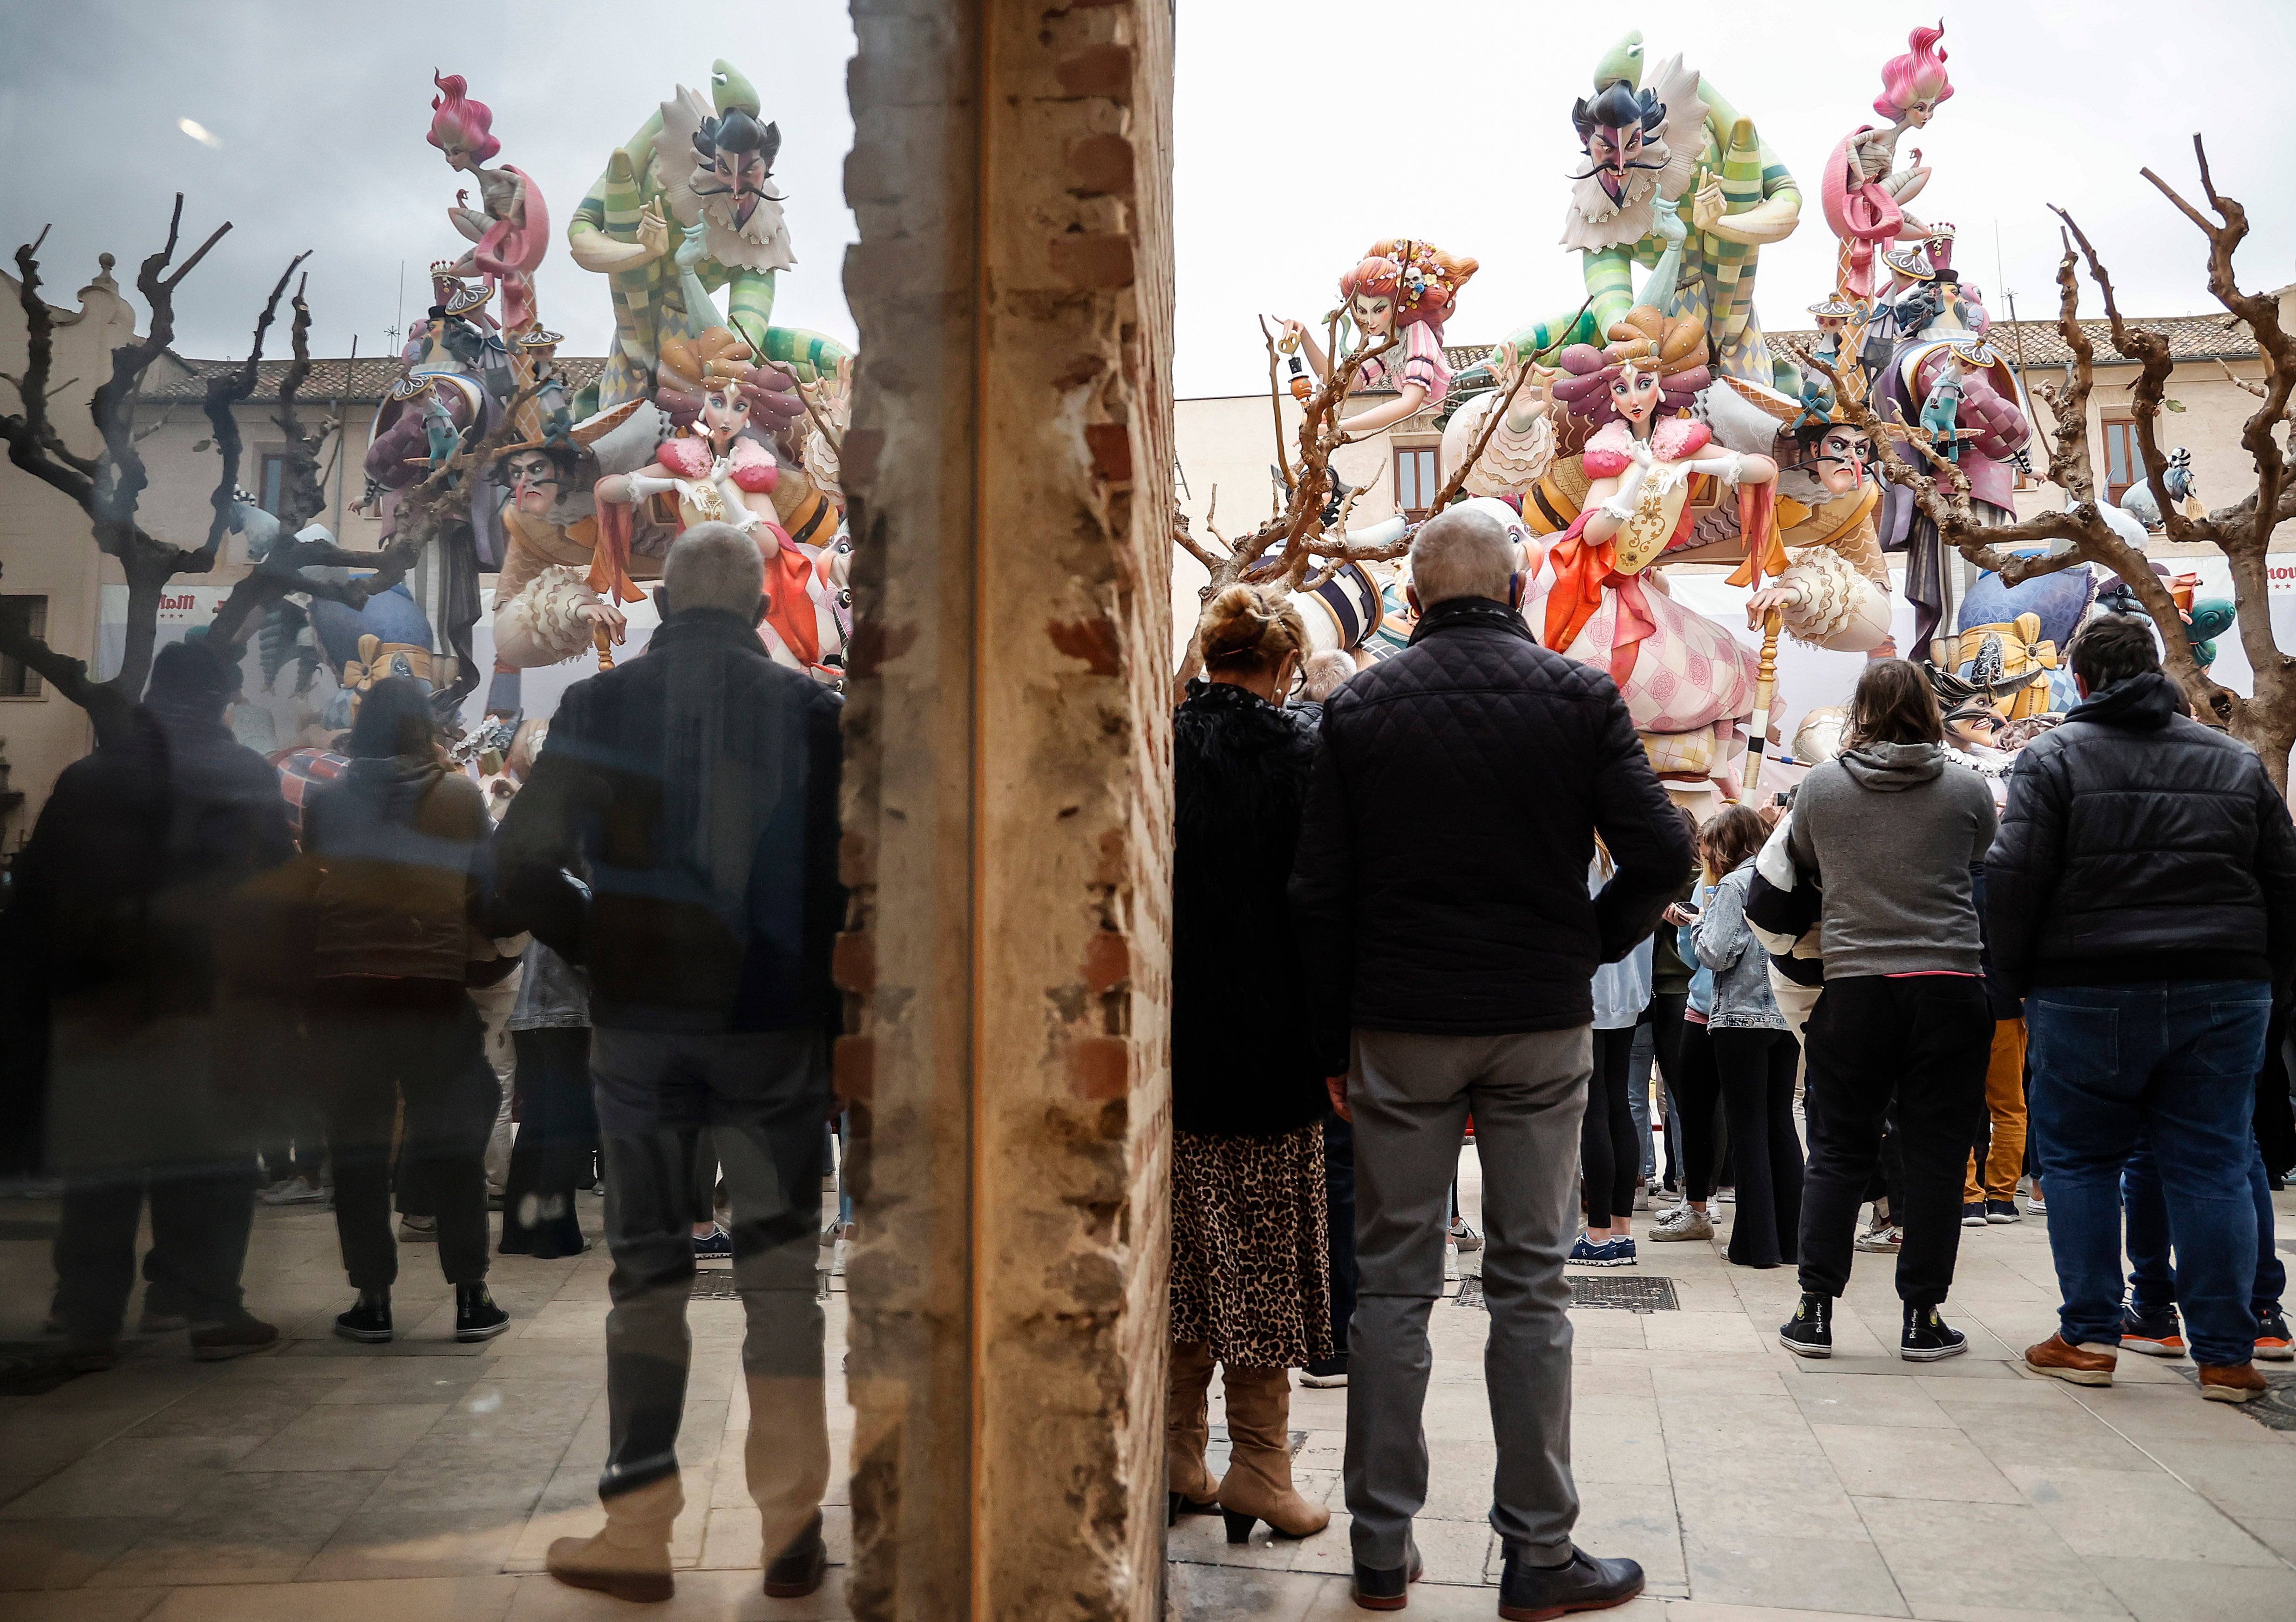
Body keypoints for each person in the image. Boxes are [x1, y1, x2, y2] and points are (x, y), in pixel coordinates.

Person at [1291, 502, 1686, 1617]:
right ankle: (1539, 1553)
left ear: (1412, 598)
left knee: (1393, 1286)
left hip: (1399, 1023)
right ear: (1517, 588)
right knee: (1529, 1284)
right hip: (1534, 1022)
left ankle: (1379, 1546)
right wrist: (1584, 943)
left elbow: (1317, 893)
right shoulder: (1576, 696)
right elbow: (1660, 848)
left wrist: (1333, 1041)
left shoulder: (1358, 706)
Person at [497, 523, 845, 1601]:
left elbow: (515, 867)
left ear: (661, 605)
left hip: (644, 1031)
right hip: (776, 1030)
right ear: (753, 609)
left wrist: (603, 941)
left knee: (645, 1274)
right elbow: (857, 869)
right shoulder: (813, 712)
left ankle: (639, 1531)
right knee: (782, 1280)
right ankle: (789, 1533)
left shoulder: (599, 709)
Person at [1987, 615, 2296, 1401]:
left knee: (2084, 1160)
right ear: (2155, 671)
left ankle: (2090, 1334)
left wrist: (2008, 986)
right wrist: (2273, 983)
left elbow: (2014, 881)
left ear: (2082, 681)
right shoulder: (2234, 760)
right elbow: (2284, 881)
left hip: (2089, 989)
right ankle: (2227, 1354)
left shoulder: (2052, 757)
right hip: (2225, 988)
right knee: (2215, 1162)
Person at [17, 640, 291, 1366]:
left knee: (102, 1169)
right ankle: (208, 1308)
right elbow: (280, 897)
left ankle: (87, 1317)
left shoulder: (86, 778)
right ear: (222, 699)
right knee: (215, 1163)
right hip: (207, 1003)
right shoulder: (246, 776)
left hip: (96, 1006)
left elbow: (35, 898)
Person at [1166, 584, 1334, 1543]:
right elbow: (1320, 906)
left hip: (1166, 1044)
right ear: (1281, 668)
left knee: (1186, 1248)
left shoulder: (1158, 742)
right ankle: (1260, 1470)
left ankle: (1177, 1456)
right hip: (1270, 1051)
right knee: (1265, 1255)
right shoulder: (1302, 753)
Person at [1778, 660, 1995, 1362]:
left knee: (1839, 1150)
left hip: (1856, 985)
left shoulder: (1820, 786)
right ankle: (1922, 1317)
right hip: (1948, 981)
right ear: (1931, 709)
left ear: (1859, 710)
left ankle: (1813, 1309)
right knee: (1934, 1154)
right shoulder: (1966, 786)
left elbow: (1805, 860)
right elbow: (1979, 851)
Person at [301, 677, 509, 1346]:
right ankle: (472, 1295)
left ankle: (372, 1299)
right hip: (430, 989)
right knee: (451, 1146)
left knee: (358, 1150)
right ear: (425, 726)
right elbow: (484, 890)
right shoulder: (457, 795)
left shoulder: (327, 797)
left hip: (345, 991)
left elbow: (316, 879)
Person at [1692, 805, 1802, 1269]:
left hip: (1739, 1019)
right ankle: (1792, 1241)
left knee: (1747, 1128)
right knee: (1779, 1122)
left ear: (1722, 846)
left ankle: (1756, 1246)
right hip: (1787, 1014)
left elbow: (1715, 954)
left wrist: (1696, 922)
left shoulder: (1733, 885)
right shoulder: (1790, 878)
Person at [1575, 846, 1653, 1268]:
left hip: (1588, 991)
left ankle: (1599, 1233)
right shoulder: (1627, 857)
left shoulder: (1583, 857)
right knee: (1618, 1101)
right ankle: (1620, 1230)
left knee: (1596, 1108)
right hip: (1628, 991)